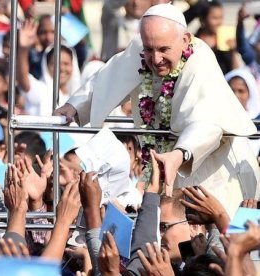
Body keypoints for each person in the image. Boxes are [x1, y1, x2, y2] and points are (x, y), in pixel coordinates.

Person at [54, 3, 260, 216]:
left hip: (217, 172)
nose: (155, 59)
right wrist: (73, 107)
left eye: (164, 50)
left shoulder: (201, 59)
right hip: (169, 173)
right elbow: (107, 79)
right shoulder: (143, 49)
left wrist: (179, 154)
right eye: (149, 49)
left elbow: (207, 123)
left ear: (185, 40)